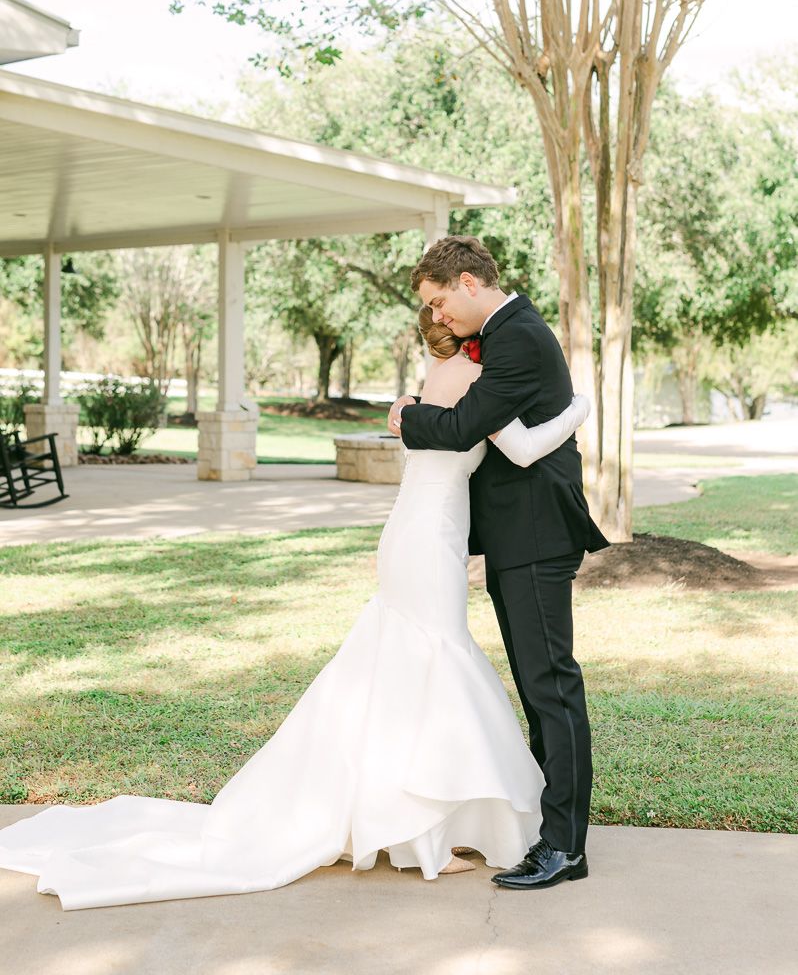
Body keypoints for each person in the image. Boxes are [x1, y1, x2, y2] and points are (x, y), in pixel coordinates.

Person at [0, 305, 590, 911]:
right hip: (430, 534)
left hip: (417, 531)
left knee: (408, 662)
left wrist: (410, 408)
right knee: (430, 659)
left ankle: (421, 823)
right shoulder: (472, 381)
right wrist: (579, 409)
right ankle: (424, 830)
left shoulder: (436, 382)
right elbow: (519, 447)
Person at [390, 235, 609, 891]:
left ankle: (565, 848)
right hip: (517, 540)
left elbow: (463, 428)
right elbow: (508, 437)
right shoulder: (505, 336)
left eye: (438, 302)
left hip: (538, 539)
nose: (436, 318)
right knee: (542, 695)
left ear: (467, 281)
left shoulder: (516, 337)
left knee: (553, 691)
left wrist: (405, 418)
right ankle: (550, 832)